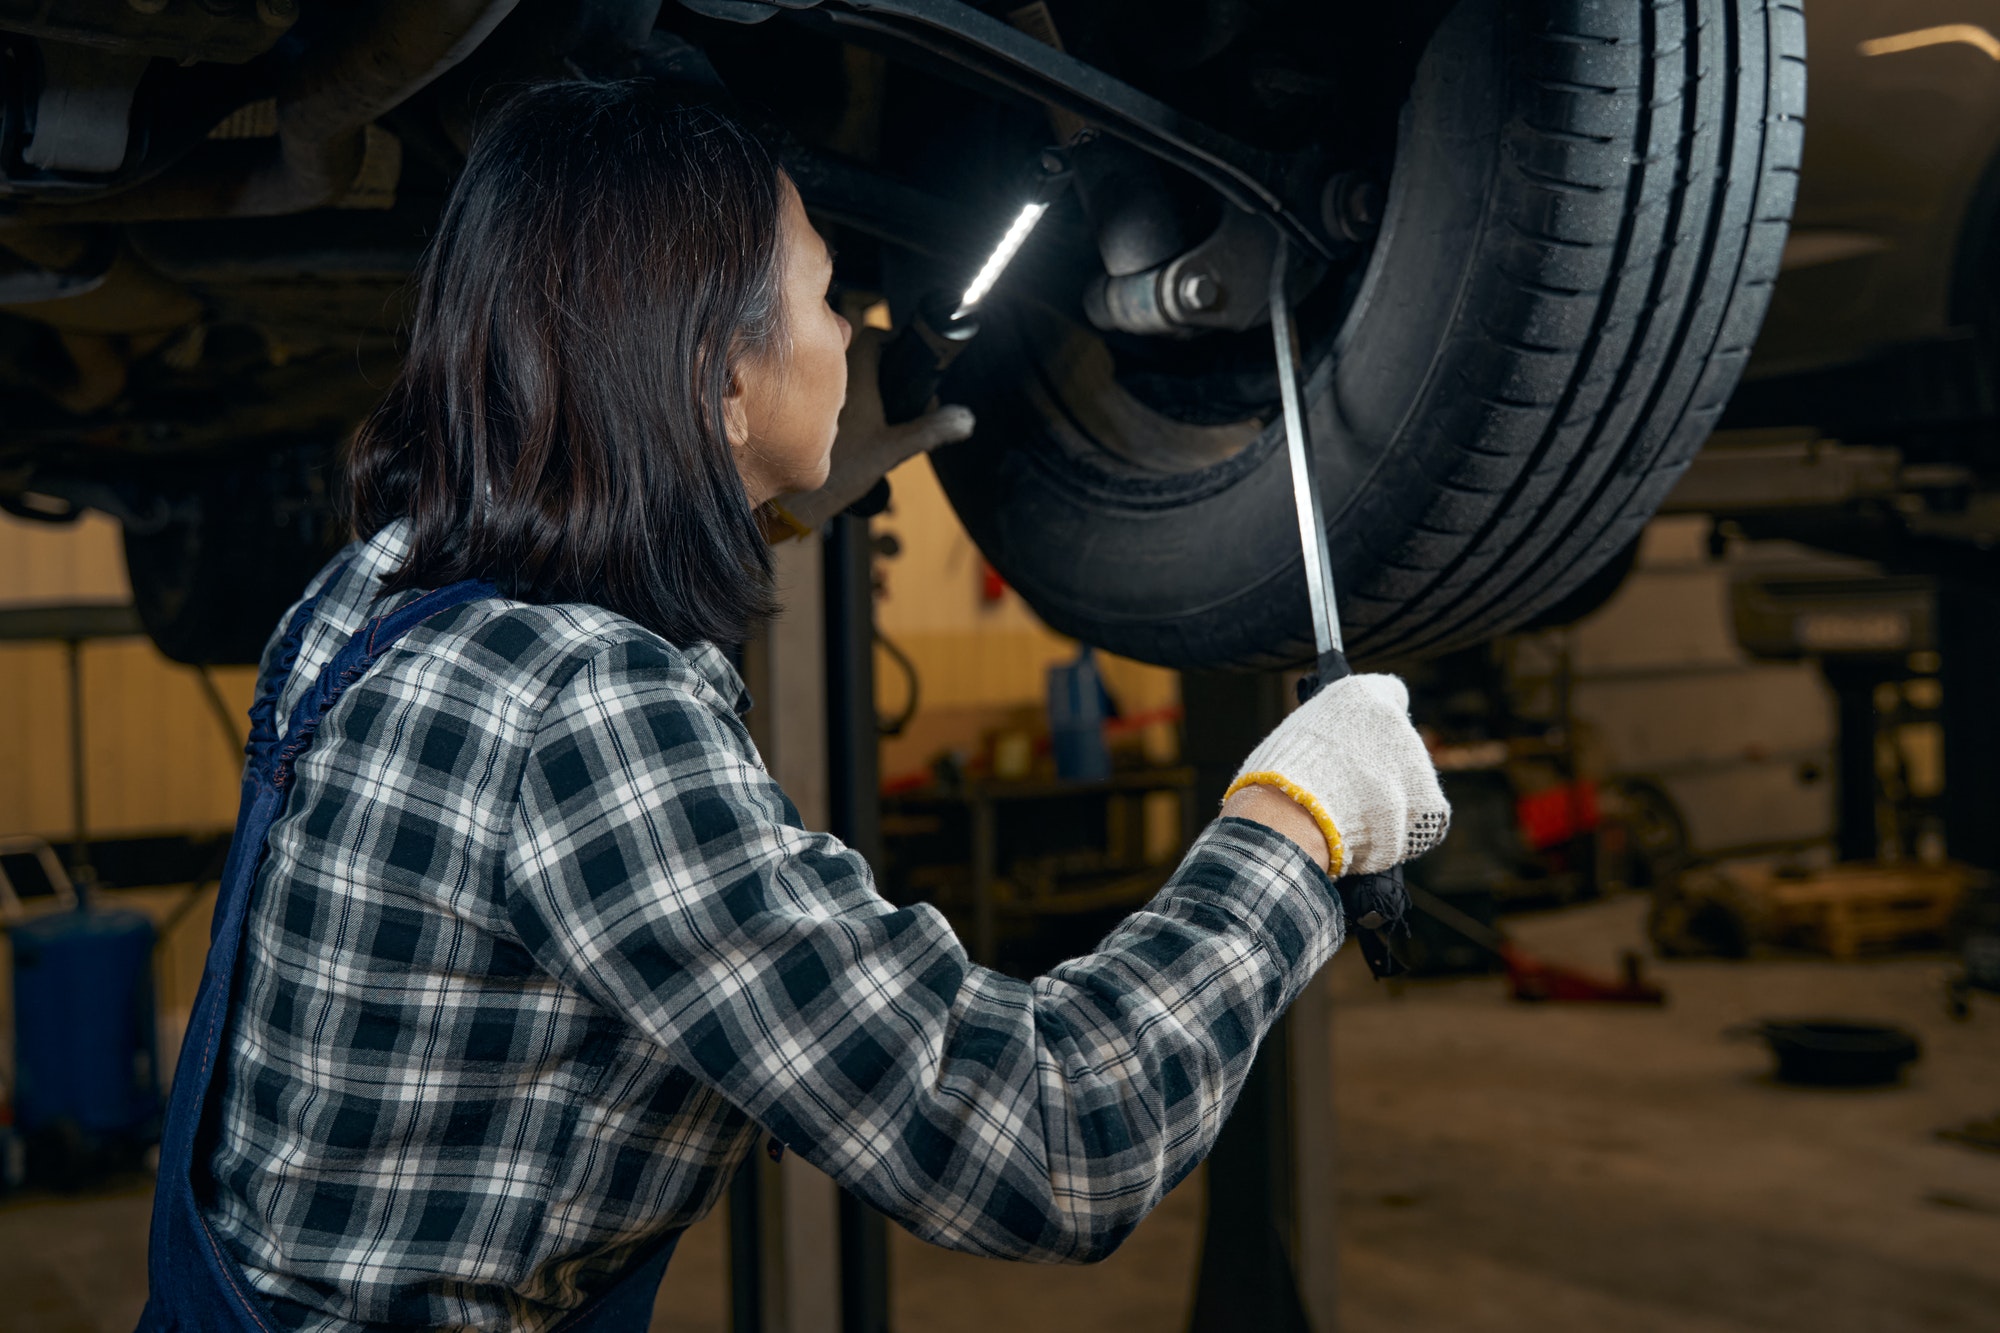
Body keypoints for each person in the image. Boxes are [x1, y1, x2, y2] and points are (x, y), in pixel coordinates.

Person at [138, 81, 1449, 1333]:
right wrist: (1296, 821)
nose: (853, 339)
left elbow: (546, 673)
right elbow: (1050, 1142)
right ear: (716, 377)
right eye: (827, 299)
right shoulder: (594, 719)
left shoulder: (369, 591)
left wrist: (760, 491)